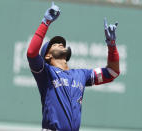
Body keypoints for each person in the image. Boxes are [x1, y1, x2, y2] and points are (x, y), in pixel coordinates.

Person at [27, 2, 120, 131]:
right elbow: (31, 53)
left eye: (61, 43)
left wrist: (112, 45)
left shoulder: (81, 75)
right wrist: (45, 22)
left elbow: (112, 72)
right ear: (47, 56)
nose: (60, 43)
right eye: (54, 44)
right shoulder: (45, 73)